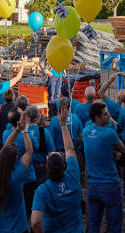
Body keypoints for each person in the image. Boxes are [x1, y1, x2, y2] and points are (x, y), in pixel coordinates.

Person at [30, 100, 84, 233]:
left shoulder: (42, 191)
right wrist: (64, 124)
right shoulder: (73, 175)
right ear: (64, 166)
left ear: (47, 169)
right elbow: (70, 149)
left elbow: (35, 222)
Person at [84, 102, 125, 233]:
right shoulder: (109, 134)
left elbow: (97, 145)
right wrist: (114, 151)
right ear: (97, 117)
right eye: (105, 114)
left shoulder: (86, 131)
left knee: (94, 223)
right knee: (114, 223)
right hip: (110, 184)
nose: (109, 116)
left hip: (93, 185)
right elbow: (122, 148)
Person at [0, 114, 35, 233]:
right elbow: (29, 151)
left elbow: (5, 148)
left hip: (0, 227)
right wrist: (24, 130)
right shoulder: (16, 175)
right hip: (19, 227)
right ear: (15, 159)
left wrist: (16, 130)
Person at [0, 58, 28, 169]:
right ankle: (1, 166)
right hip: (2, 120)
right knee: (3, 143)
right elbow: (18, 77)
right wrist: (23, 63)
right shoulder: (3, 86)